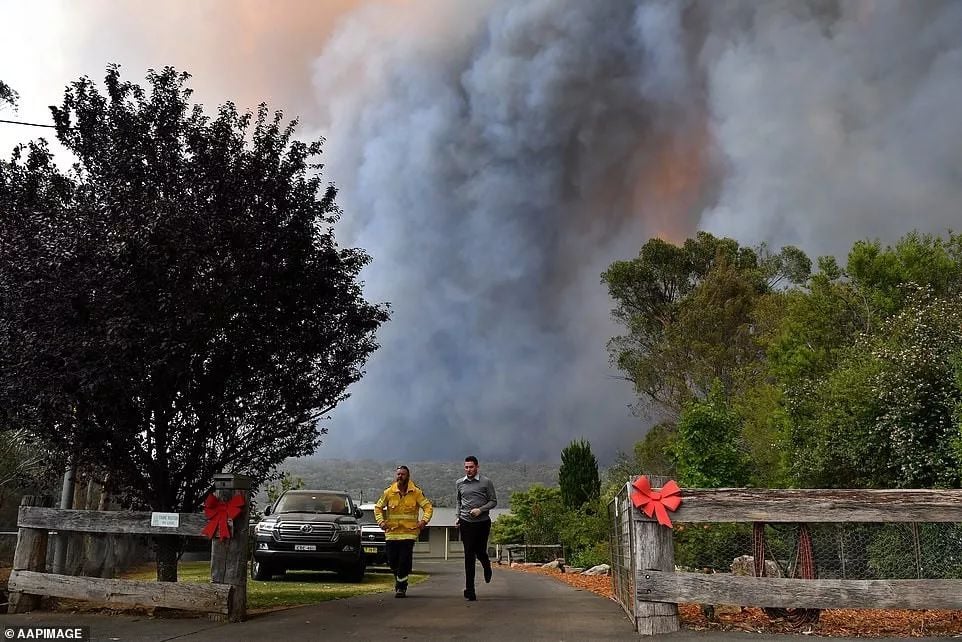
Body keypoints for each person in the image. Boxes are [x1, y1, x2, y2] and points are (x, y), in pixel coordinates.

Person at [374, 465, 433, 598]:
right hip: (392, 533)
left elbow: (428, 507)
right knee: (392, 561)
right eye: (398, 474)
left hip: (409, 533)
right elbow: (378, 508)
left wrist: (423, 521)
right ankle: (400, 579)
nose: (400, 476)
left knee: (404, 560)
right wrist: (381, 522)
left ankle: (401, 588)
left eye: (403, 474)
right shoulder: (388, 492)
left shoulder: (416, 492)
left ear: (408, 476)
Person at [456, 455, 497, 601]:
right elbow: (459, 501)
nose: (468, 470)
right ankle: (470, 589)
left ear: (477, 467)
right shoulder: (459, 483)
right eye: (466, 467)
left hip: (482, 522)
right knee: (469, 555)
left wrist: (480, 509)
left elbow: (493, 501)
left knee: (480, 551)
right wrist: (458, 516)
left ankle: (487, 565)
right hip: (466, 522)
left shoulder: (486, 482)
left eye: (471, 467)